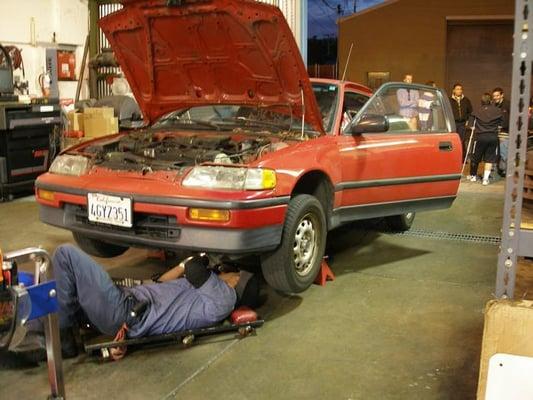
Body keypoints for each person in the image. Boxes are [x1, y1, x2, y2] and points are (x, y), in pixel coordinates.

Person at [13, 244, 259, 359]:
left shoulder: (224, 298)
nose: (222, 271)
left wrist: (201, 260)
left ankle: (63, 332)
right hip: (124, 304)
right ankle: (22, 327)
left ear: (236, 280)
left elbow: (195, 268)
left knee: (65, 255)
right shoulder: (206, 294)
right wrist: (183, 265)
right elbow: (162, 280)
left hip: (124, 312)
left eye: (229, 271)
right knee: (59, 292)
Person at [468, 93, 503, 186]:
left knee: (476, 157)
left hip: (480, 137)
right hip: (493, 137)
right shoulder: (498, 111)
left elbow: (471, 126)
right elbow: (501, 125)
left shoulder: (476, 111)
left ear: (481, 101)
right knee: (489, 158)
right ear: (491, 101)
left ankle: (473, 176)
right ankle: (485, 179)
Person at [449, 83, 473, 161]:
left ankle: (462, 159)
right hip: (453, 123)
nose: (459, 90)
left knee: (462, 141)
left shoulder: (466, 100)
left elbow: (470, 112)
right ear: (454, 90)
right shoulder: (450, 100)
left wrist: (468, 121)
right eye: (457, 89)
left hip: (462, 124)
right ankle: (453, 158)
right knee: (453, 141)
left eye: (460, 89)